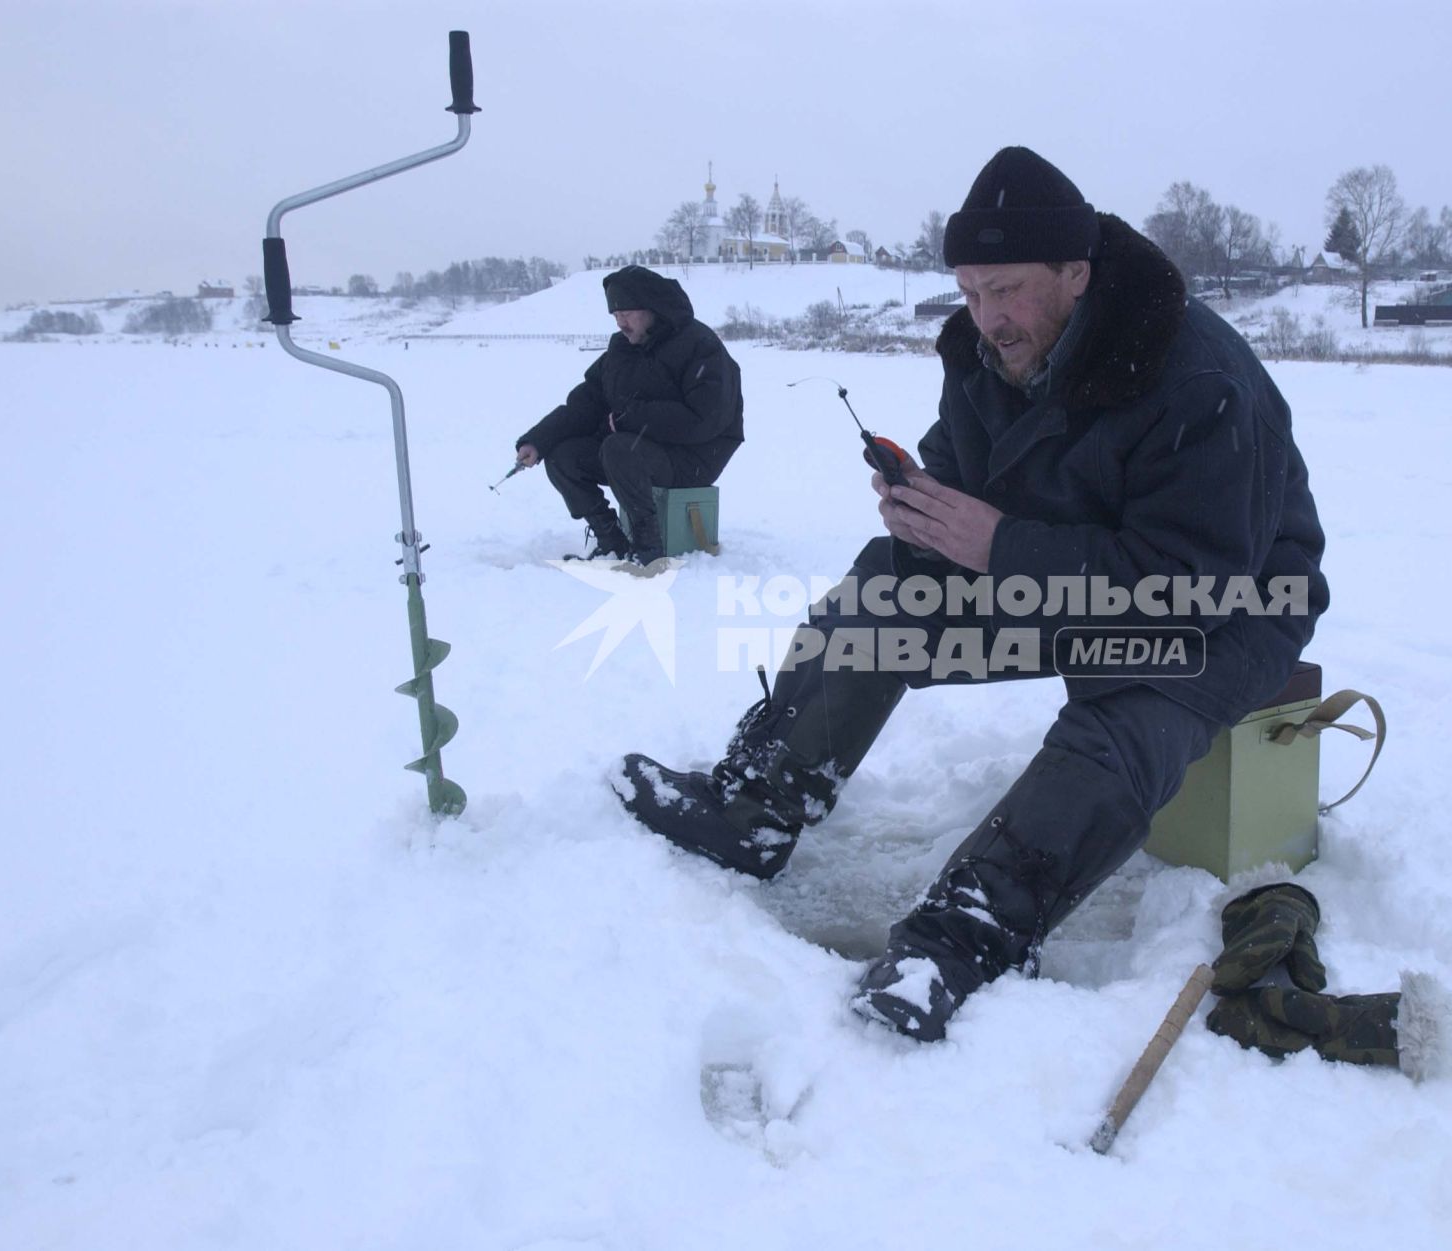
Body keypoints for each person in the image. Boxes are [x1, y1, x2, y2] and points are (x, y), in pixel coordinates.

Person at [616, 147, 1328, 1041]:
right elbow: (965, 467)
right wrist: (924, 505)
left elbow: (1195, 588)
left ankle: (972, 926)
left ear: (1077, 271)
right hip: (1064, 571)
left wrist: (1001, 545)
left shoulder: (1196, 379)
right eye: (970, 291)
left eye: (1007, 289)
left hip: (1232, 605)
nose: (988, 318)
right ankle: (753, 806)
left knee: (1128, 690)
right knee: (890, 589)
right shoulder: (988, 352)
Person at [514, 265, 743, 564]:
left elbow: (705, 418)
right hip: (637, 454)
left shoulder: (699, 345)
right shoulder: (621, 350)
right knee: (564, 456)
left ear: (653, 308)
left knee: (620, 446)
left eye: (627, 312)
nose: (620, 321)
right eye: (615, 314)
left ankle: (649, 549)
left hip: (695, 457)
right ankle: (611, 542)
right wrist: (538, 441)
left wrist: (630, 419)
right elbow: (585, 402)